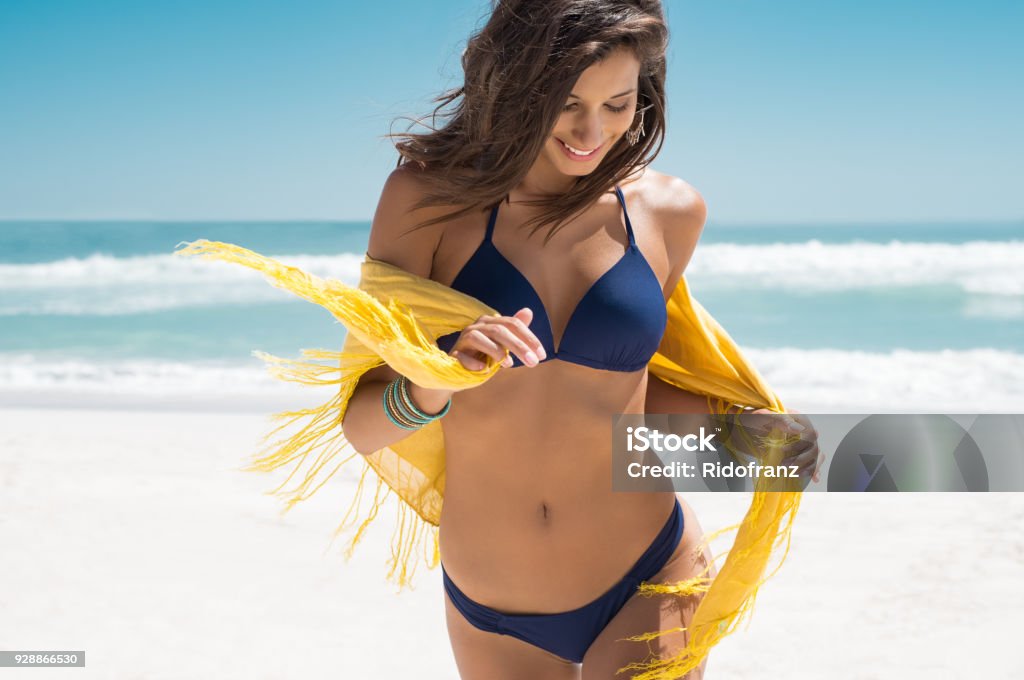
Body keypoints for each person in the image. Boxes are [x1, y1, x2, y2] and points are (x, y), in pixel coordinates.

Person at [337, 1, 819, 678]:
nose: (592, 131)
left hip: (647, 571)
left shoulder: (670, 212)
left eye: (618, 104)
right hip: (491, 602)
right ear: (512, 85)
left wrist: (747, 441)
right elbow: (361, 426)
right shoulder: (426, 202)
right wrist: (434, 380)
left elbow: (629, 407)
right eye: (566, 103)